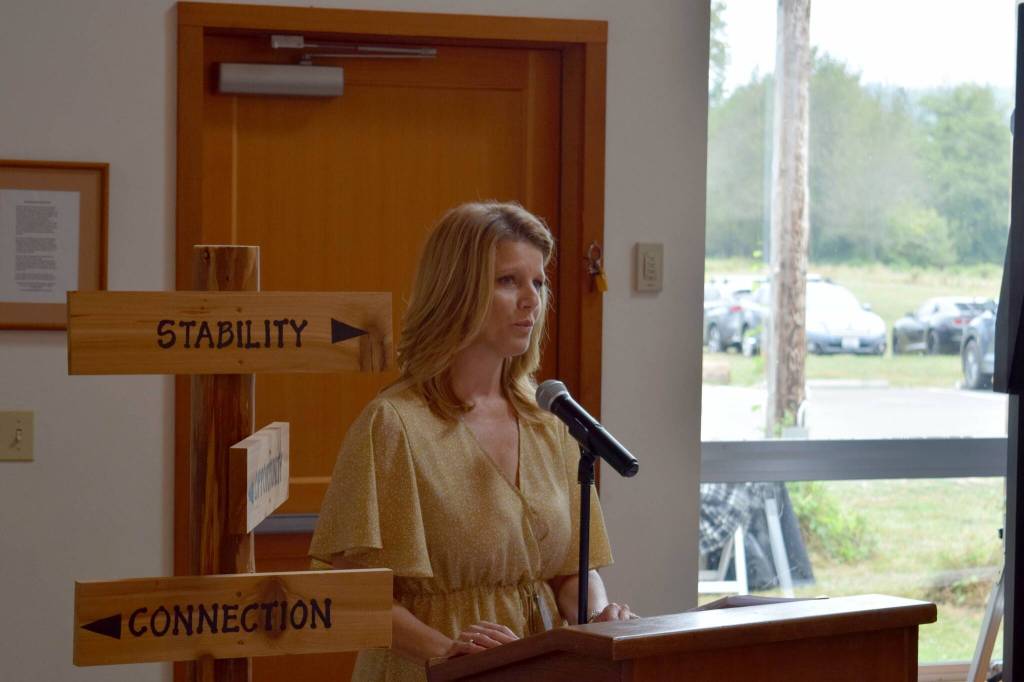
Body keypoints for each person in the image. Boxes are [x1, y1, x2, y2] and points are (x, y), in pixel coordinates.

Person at [309, 201, 634, 681]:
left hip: (537, 669)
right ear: (456, 290)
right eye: (509, 281)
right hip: (426, 672)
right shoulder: (394, 424)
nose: (532, 300)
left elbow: (570, 570)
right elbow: (352, 594)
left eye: (538, 283)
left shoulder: (550, 420)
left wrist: (600, 616)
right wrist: (451, 656)